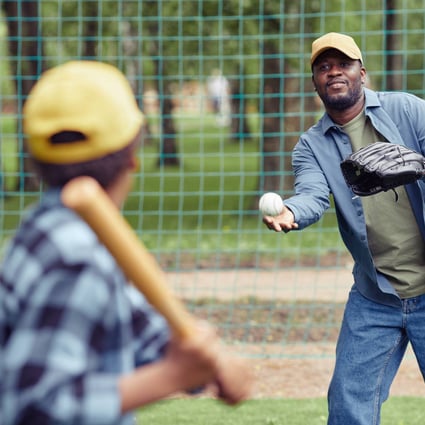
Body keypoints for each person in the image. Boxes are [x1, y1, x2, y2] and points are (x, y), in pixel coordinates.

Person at [0, 61, 252, 425]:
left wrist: (207, 363)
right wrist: (174, 376)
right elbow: (36, 407)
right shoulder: (77, 256)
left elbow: (138, 324)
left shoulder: (46, 228)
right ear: (132, 154)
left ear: (37, 160)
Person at [262, 32, 425, 425]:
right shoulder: (311, 146)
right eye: (323, 66)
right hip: (375, 297)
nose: (333, 71)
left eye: (343, 64)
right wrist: (290, 212)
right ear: (316, 81)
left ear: (362, 73)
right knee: (348, 405)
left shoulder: (408, 110)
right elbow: (312, 195)